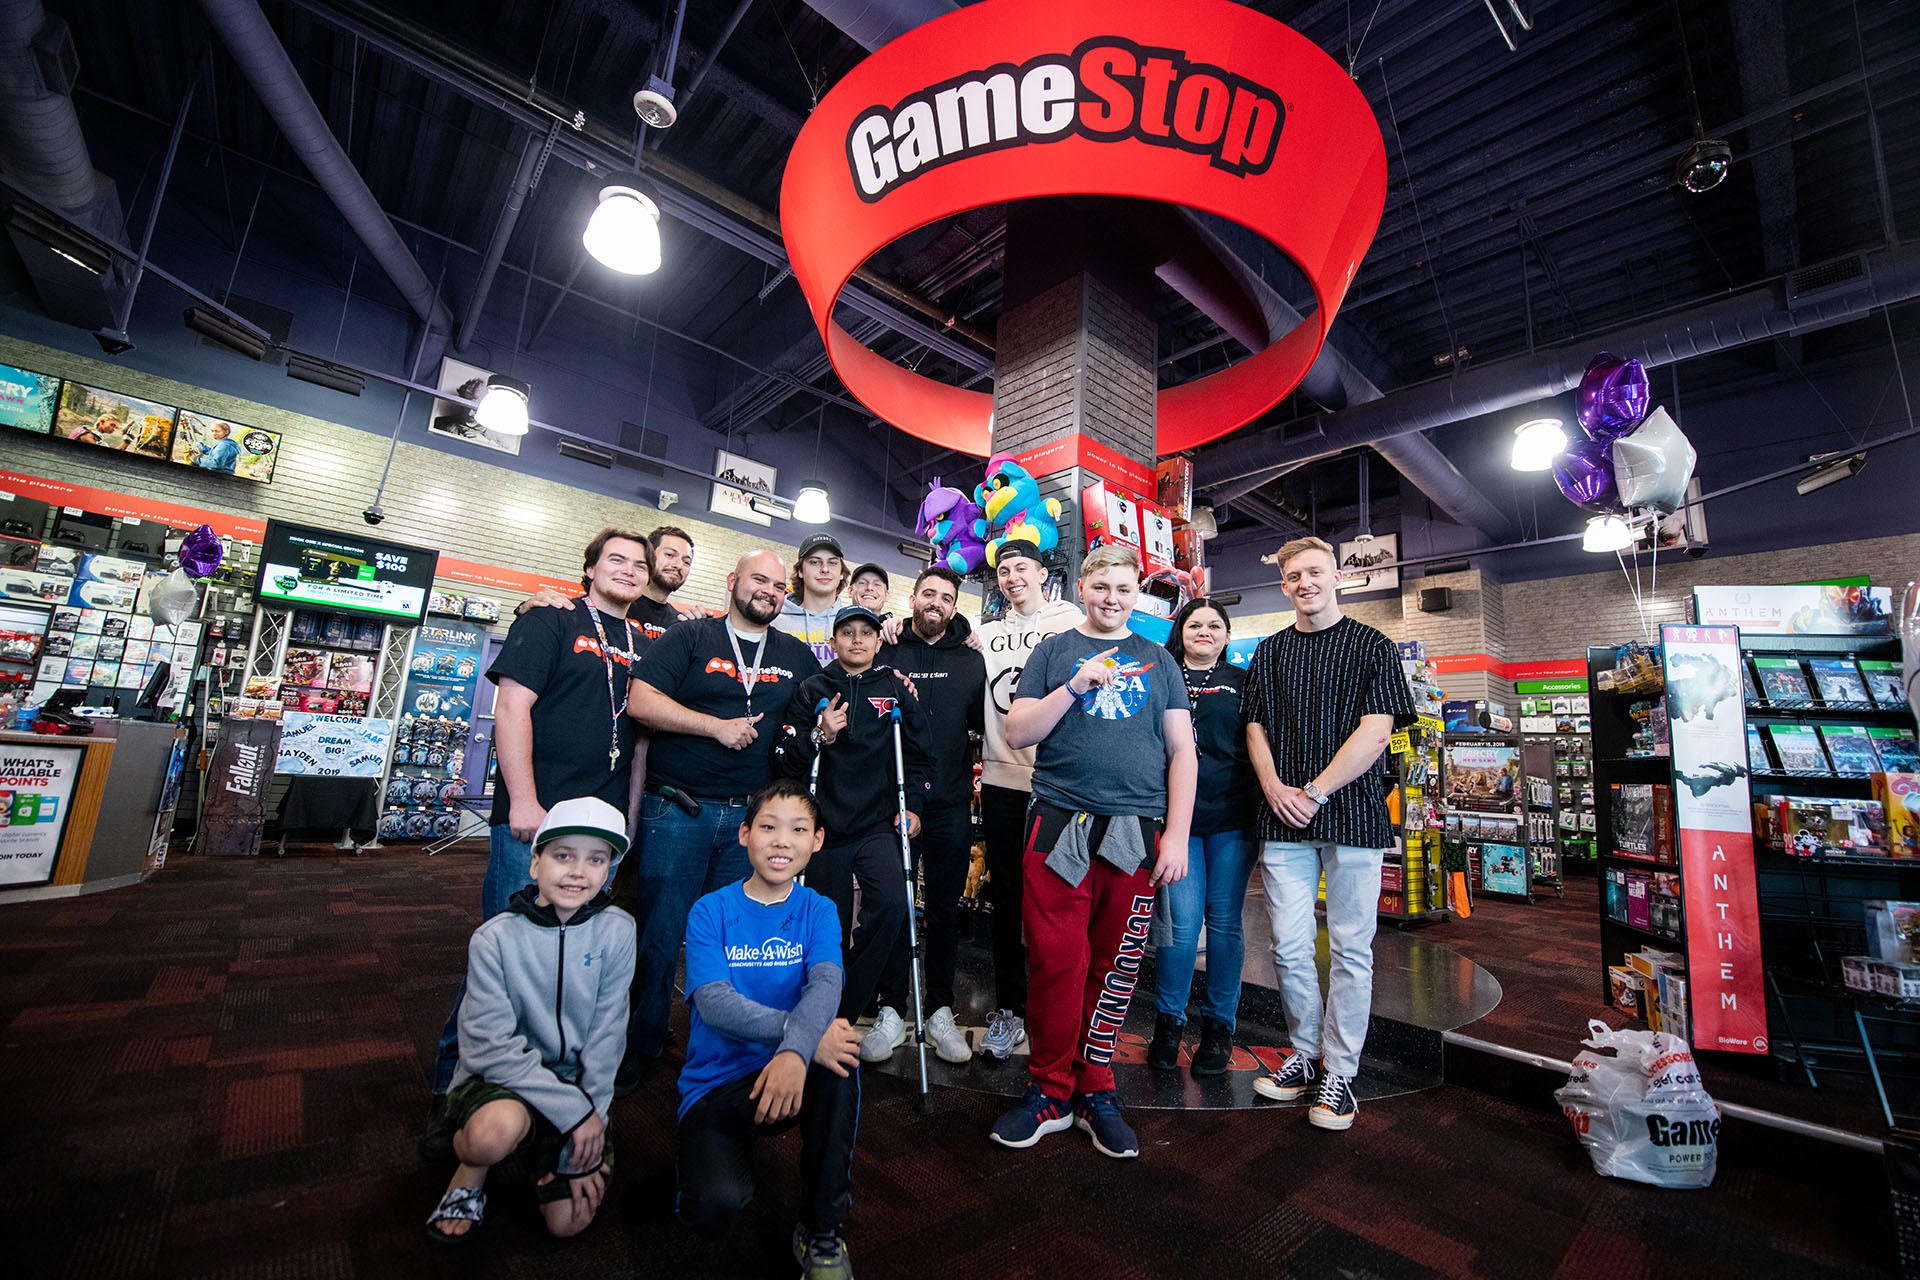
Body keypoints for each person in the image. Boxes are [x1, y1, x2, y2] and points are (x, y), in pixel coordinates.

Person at [424, 529, 652, 1150]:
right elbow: (512, 707)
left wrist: (627, 820)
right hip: (533, 821)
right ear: (589, 569)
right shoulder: (550, 620)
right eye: (617, 560)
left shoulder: (645, 641)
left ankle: (544, 1094)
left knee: (571, 968)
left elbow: (638, 743)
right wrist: (524, 798)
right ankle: (452, 1094)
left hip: (598, 832)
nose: (630, 571)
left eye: (640, 564)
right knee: (500, 959)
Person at [991, 544, 1195, 1159]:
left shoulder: (1159, 659)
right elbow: (1017, 730)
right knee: (1057, 961)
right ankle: (1050, 1088)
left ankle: (1096, 1086)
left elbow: (1182, 752)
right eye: (1100, 586)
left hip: (1135, 832)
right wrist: (1073, 688)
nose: (1112, 598)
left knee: (1114, 966)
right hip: (1059, 824)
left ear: (1137, 594)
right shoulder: (1054, 651)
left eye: (1123, 589)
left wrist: (1179, 834)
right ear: (1080, 588)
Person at [623, 550, 822, 1082]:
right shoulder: (691, 637)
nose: (770, 592)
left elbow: (837, 695)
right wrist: (715, 726)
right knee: (661, 938)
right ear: (733, 581)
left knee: (740, 947)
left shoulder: (796, 655)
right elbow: (640, 701)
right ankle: (638, 1050)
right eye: (760, 580)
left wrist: (893, 675)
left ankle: (727, 1055)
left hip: (750, 825)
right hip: (678, 810)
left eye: (780, 587)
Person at [1243, 536, 1416, 1132]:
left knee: (1350, 950)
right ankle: (1302, 1053)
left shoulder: (1374, 646)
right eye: (1293, 576)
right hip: (1283, 818)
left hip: (1353, 818)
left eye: (1314, 572)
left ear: (1336, 576)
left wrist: (1313, 792)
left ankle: (1340, 1071)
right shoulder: (1268, 652)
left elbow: (1376, 734)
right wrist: (1272, 788)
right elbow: (1255, 728)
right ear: (1284, 585)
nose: (1304, 583)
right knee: (1288, 948)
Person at [424, 797, 636, 1244]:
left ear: (608, 870)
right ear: (535, 862)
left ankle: (550, 1152)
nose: (579, 871)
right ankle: (470, 1173)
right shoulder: (494, 938)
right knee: (490, 1135)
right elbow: (487, 1048)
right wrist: (576, 1116)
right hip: (503, 1082)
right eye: (563, 856)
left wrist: (592, 1111)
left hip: (576, 1082)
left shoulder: (618, 930)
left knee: (566, 1225)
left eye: (596, 860)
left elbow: (608, 1035)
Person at [676, 778, 864, 1280]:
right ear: (744, 835)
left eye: (798, 829)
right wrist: (797, 1043)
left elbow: (827, 984)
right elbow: (715, 1005)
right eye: (768, 827)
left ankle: (823, 1228)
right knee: (715, 1209)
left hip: (796, 1074)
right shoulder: (710, 910)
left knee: (841, 1056)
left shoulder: (820, 909)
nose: (783, 841)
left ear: (817, 841)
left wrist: (796, 1055)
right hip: (719, 1084)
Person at [772, 604, 930, 1062]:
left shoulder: (895, 690)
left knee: (892, 903)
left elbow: (921, 755)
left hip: (878, 824)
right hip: (823, 829)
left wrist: (913, 806)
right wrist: (820, 735)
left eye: (867, 632)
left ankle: (842, 1007)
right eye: (847, 633)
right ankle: (825, 1007)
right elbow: (784, 758)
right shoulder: (812, 689)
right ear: (834, 640)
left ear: (879, 640)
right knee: (829, 927)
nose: (857, 640)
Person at [973, 539, 1082, 1059]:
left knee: (1055, 902)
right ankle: (1010, 1010)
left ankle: (1055, 1009)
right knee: (1006, 900)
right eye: (1005, 570)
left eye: (1022, 568)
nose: (1013, 576)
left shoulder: (1070, 622)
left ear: (1043, 573)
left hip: (1058, 785)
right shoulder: (986, 631)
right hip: (999, 782)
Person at [877, 565, 985, 1063]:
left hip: (948, 805)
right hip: (895, 804)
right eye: (927, 594)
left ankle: (940, 1009)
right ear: (913, 597)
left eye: (946, 596)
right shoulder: (887, 648)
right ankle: (891, 1009)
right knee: (895, 907)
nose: (935, 602)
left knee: (944, 911)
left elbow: (985, 727)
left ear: (955, 604)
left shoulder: (970, 661)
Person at [1147, 599, 1258, 1077]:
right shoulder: (1159, 676)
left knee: (1226, 925)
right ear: (1181, 630)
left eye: (1215, 625)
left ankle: (1219, 1029)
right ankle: (1169, 1025)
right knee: (1181, 928)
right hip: (1178, 825)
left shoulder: (1244, 684)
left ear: (1227, 635)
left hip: (1233, 818)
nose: (1205, 631)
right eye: (1195, 624)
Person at [776, 533, 847, 664]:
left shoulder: (851, 624)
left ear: (842, 573)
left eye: (832, 562)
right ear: (800, 571)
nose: (825, 569)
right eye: (814, 562)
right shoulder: (773, 621)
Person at [632, 525, 699, 639]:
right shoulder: (620, 606)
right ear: (648, 555)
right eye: (669, 555)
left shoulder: (680, 623)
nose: (678, 565)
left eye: (686, 562)